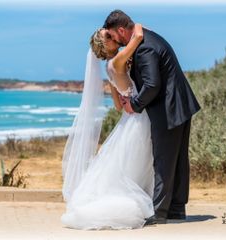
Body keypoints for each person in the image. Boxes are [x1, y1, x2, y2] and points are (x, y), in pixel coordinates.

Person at [103, 10, 201, 224]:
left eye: (114, 35)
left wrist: (134, 105)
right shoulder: (145, 38)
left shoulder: (144, 48)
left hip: (168, 108)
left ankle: (159, 213)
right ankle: (176, 209)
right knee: (177, 160)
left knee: (164, 160)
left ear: (121, 30)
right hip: (179, 104)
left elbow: (152, 84)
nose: (115, 41)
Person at [61, 23, 155, 230]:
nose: (113, 36)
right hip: (140, 116)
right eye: (109, 36)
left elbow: (116, 104)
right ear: (107, 45)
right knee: (140, 162)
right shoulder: (119, 60)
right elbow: (137, 36)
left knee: (132, 165)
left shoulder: (110, 67)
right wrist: (137, 27)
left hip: (130, 118)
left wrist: (126, 94)